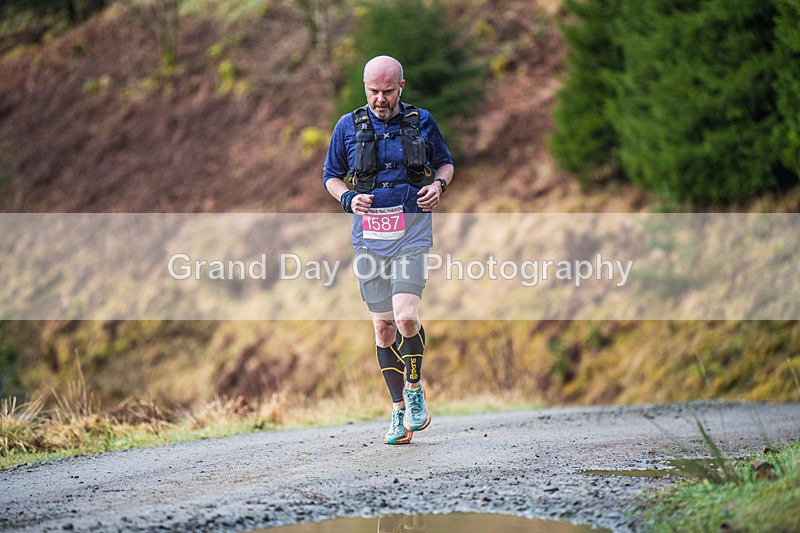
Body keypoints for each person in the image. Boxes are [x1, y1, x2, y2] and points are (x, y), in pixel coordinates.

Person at [323, 55, 454, 445]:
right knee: (383, 328)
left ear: (402, 86)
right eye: (373, 91)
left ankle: (414, 388)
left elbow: (445, 164)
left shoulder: (421, 121)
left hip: (412, 231)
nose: (380, 99)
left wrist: (438, 186)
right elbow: (330, 175)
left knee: (406, 316)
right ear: (365, 88)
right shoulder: (347, 126)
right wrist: (347, 198)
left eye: (387, 91)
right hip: (369, 240)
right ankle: (398, 411)